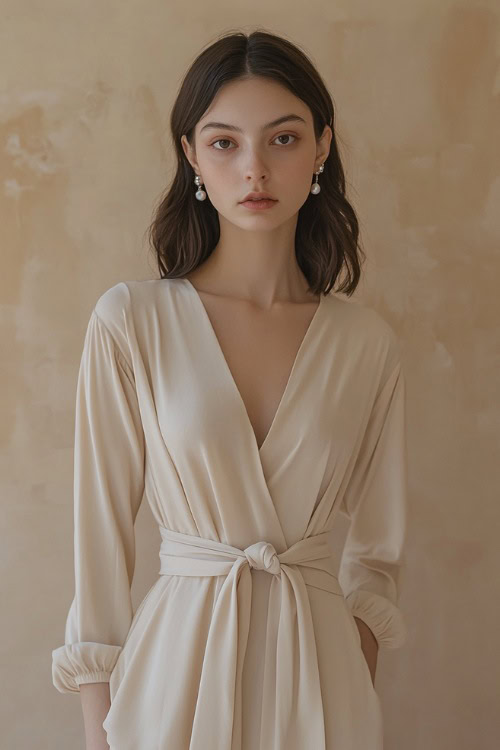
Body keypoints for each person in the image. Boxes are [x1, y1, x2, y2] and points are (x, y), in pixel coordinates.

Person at [52, 28, 409, 750]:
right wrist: (100, 729)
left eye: (281, 139)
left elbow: (378, 553)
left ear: (321, 147)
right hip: (172, 683)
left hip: (321, 690)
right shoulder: (132, 321)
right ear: (191, 154)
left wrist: (347, 677)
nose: (254, 169)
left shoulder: (364, 342)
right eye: (224, 142)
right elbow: (99, 542)